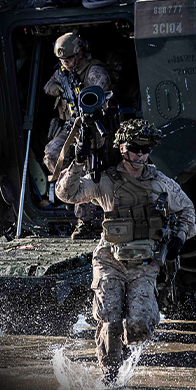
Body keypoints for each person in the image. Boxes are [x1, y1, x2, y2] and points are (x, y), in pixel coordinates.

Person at [55, 119, 196, 385]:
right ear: (122, 148)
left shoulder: (160, 182)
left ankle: (123, 351)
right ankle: (110, 375)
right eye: (135, 148)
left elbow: (187, 210)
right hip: (111, 260)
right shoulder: (106, 180)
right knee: (109, 318)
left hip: (145, 263)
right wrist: (78, 162)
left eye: (146, 148)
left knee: (139, 326)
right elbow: (66, 193)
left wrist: (179, 237)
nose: (141, 154)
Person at [43, 32, 112, 239]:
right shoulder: (64, 71)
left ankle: (86, 220)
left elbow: (101, 95)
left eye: (70, 58)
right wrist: (59, 89)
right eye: (63, 60)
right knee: (52, 155)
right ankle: (71, 194)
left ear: (81, 53)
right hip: (72, 124)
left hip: (94, 125)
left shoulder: (95, 71)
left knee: (88, 168)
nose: (67, 63)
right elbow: (48, 87)